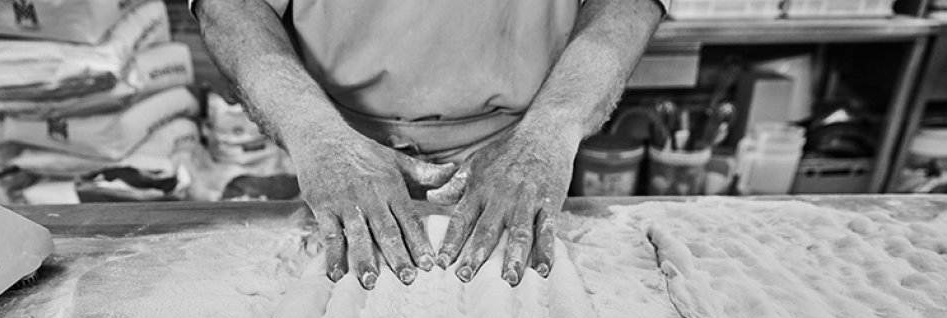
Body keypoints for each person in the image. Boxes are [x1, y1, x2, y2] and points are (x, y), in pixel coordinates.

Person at [194, 0, 667, 288]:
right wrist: (315, 135)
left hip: (518, 155)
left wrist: (550, 132)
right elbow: (232, 7)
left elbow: (625, 5)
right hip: (338, 149)